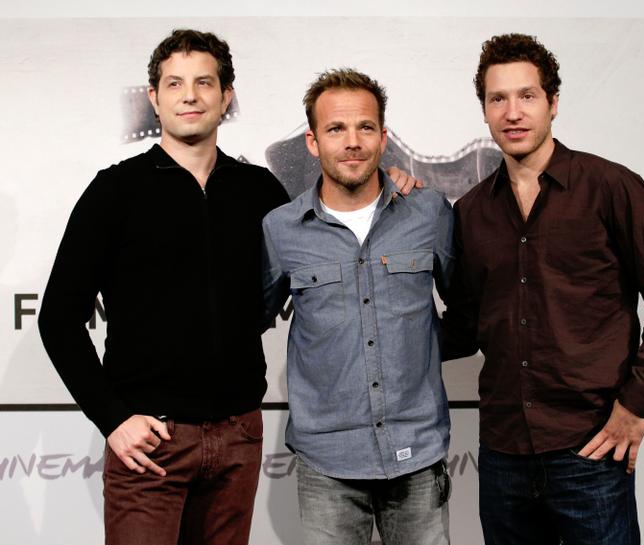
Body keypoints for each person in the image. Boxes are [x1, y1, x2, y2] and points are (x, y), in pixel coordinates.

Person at [37, 30, 420, 545]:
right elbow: (58, 320)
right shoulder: (114, 192)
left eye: (204, 82)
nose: (189, 95)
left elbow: (332, 229)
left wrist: (390, 185)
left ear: (226, 96)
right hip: (151, 441)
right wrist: (113, 419)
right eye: (174, 84)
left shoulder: (259, 190)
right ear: (154, 98)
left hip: (238, 436)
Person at [441, 33, 644, 544]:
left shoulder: (610, 186)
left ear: (553, 103)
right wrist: (377, 337)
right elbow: (465, 326)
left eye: (527, 95)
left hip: (592, 447)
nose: (513, 112)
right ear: (485, 110)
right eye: (498, 99)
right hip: (503, 453)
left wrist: (634, 404)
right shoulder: (471, 211)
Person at [262, 69, 454, 545]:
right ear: (313, 142)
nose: (352, 141)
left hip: (417, 454)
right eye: (335, 129)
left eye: (365, 127)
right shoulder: (281, 229)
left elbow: (471, 309)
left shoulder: (429, 212)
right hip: (326, 462)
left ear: (383, 138)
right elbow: (250, 319)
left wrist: (415, 351)